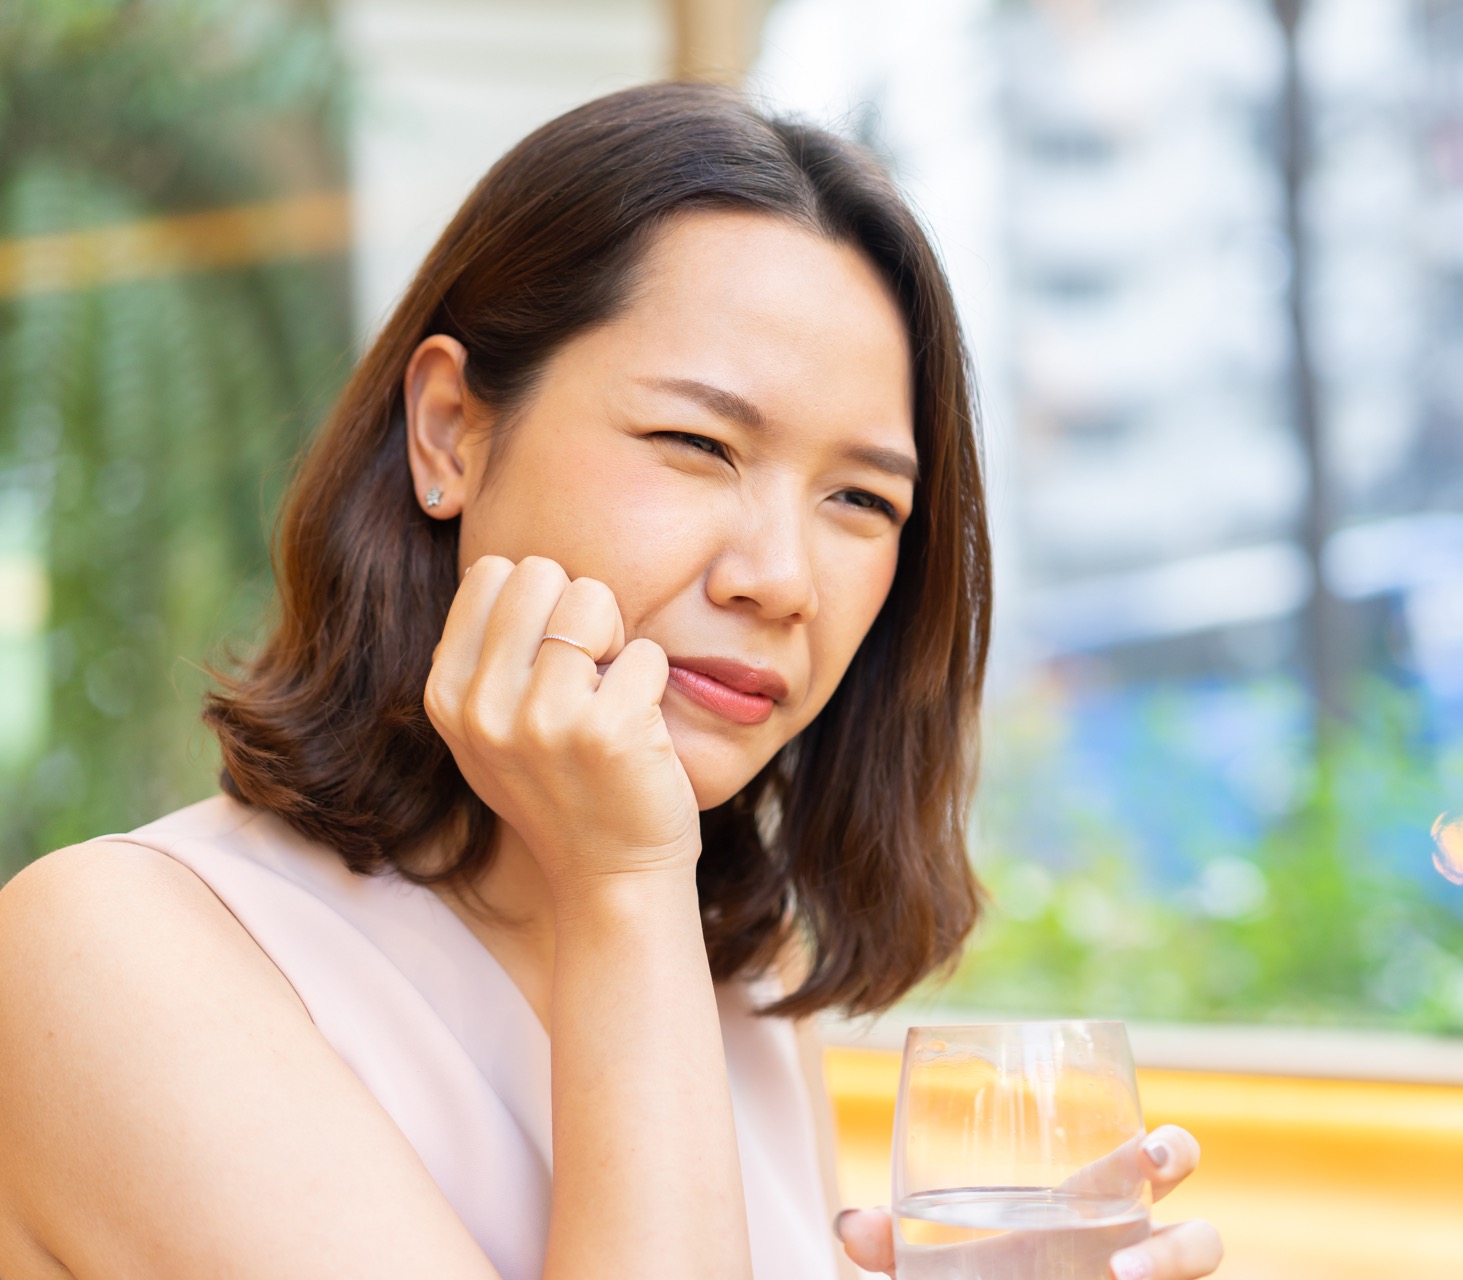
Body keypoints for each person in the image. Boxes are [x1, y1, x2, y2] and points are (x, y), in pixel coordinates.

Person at [0, 84, 1223, 1280]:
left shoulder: (734, 992)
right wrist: (624, 880)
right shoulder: (106, 952)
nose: (780, 578)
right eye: (697, 444)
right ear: (449, 432)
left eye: (861, 498)